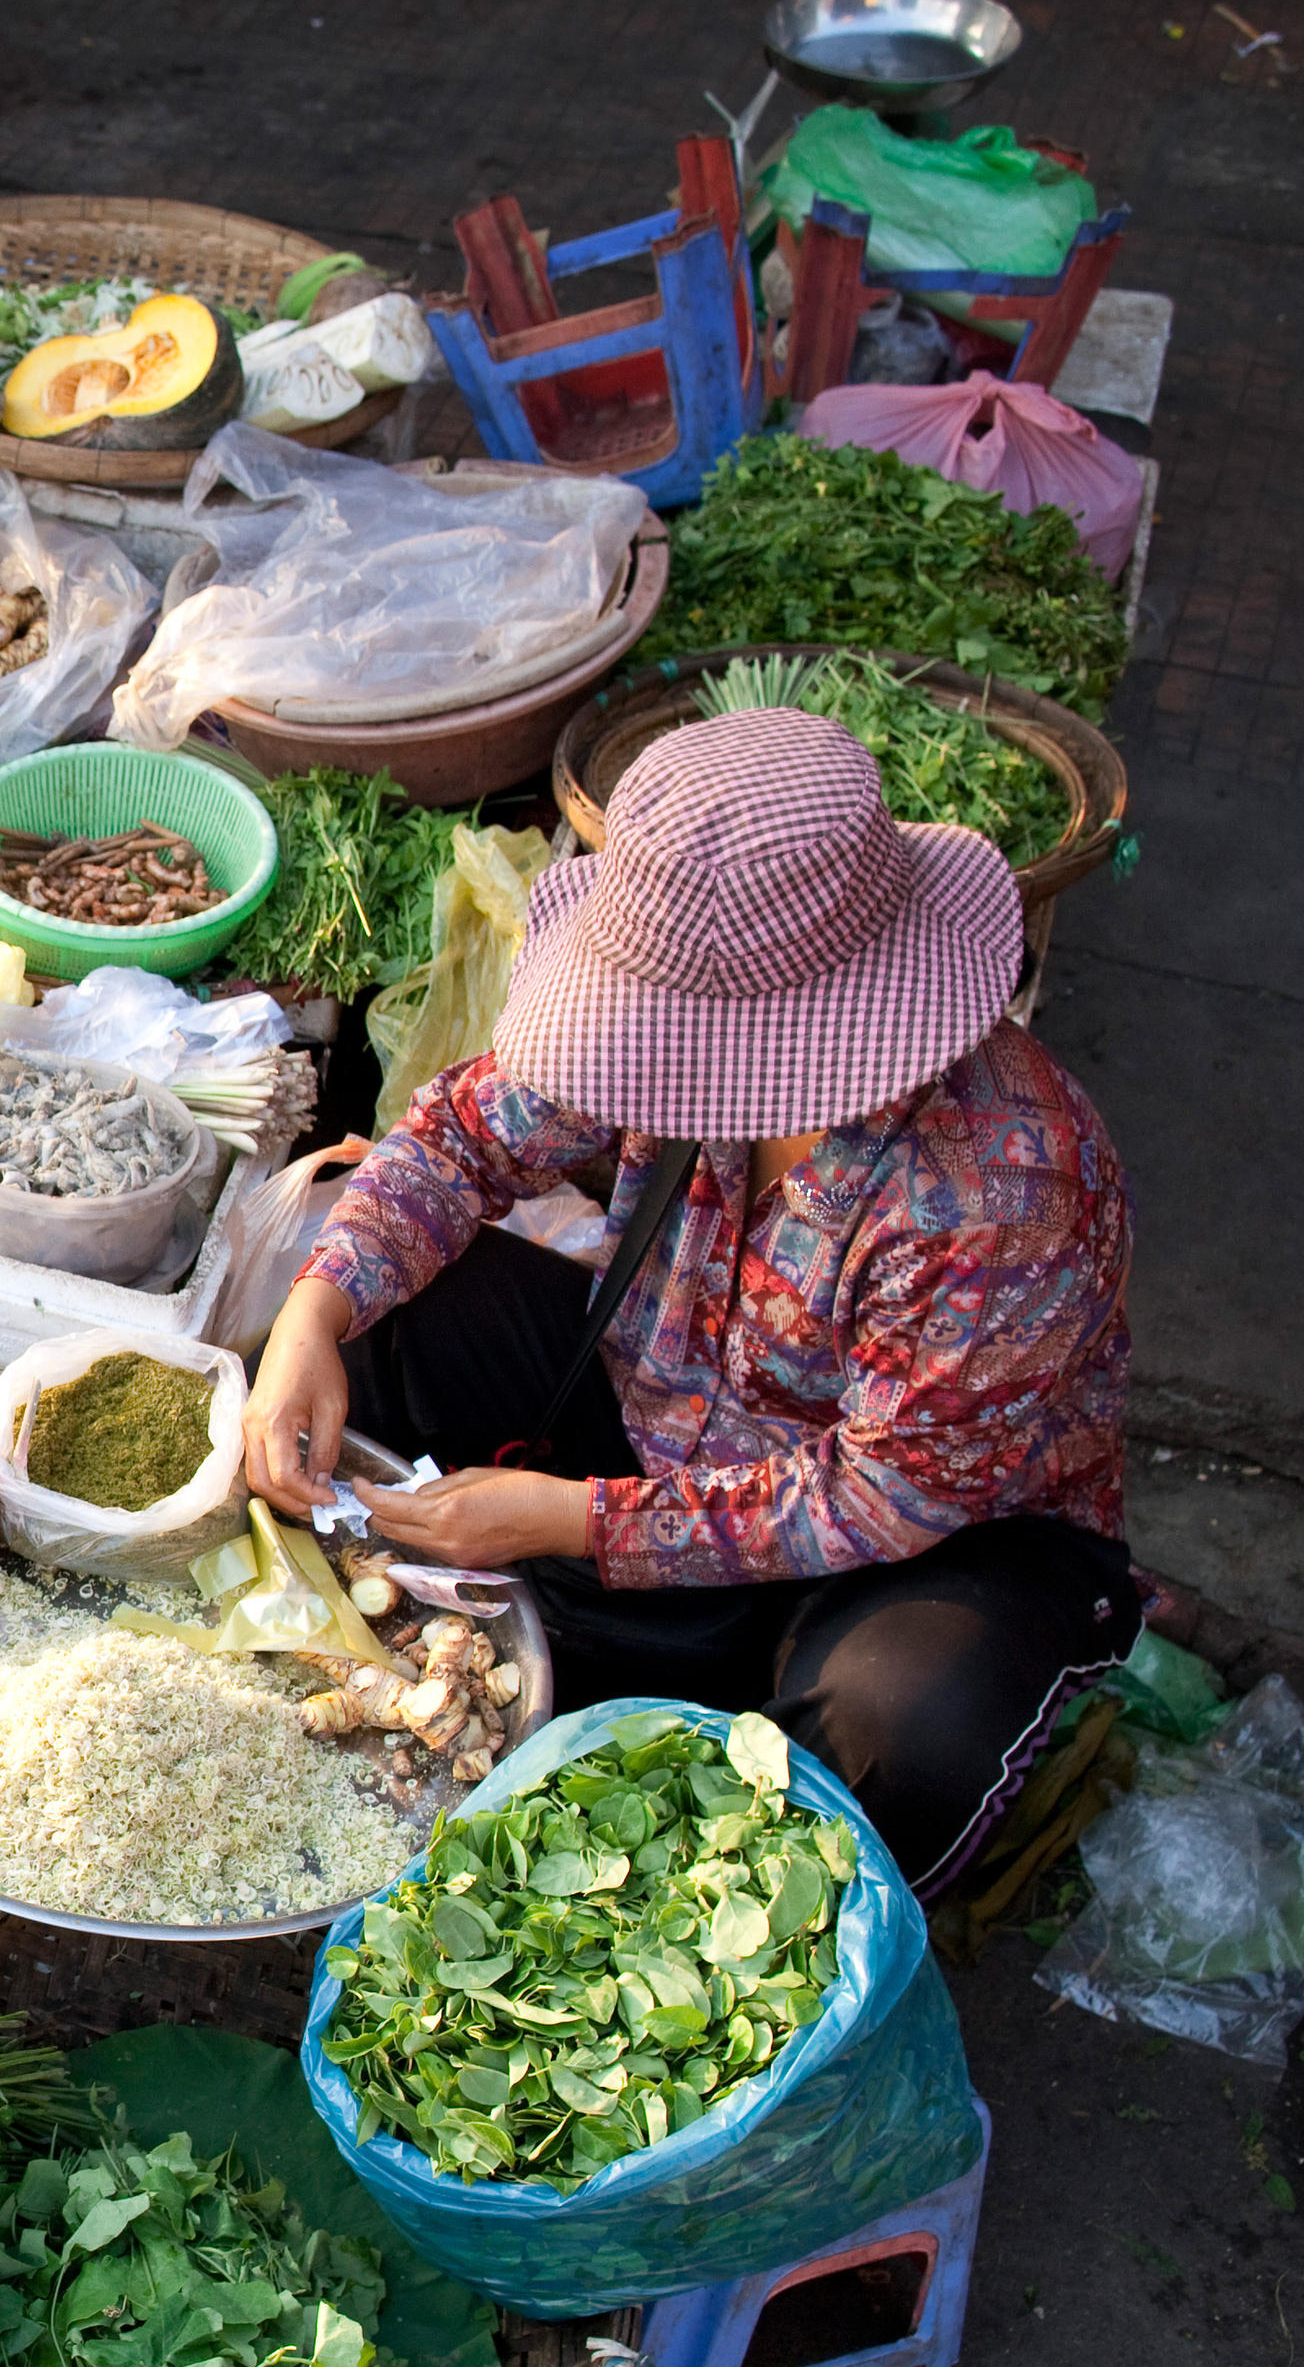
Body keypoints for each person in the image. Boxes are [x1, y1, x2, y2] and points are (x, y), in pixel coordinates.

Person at [239, 707, 1139, 1891]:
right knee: (389, 1301)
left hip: (918, 1544)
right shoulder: (656, 1030)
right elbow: (458, 1140)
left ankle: (765, 1838)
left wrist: (571, 1519)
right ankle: (525, 1632)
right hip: (667, 1406)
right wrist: (314, 1313)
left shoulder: (994, 1188)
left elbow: (883, 1495)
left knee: (902, 1726)